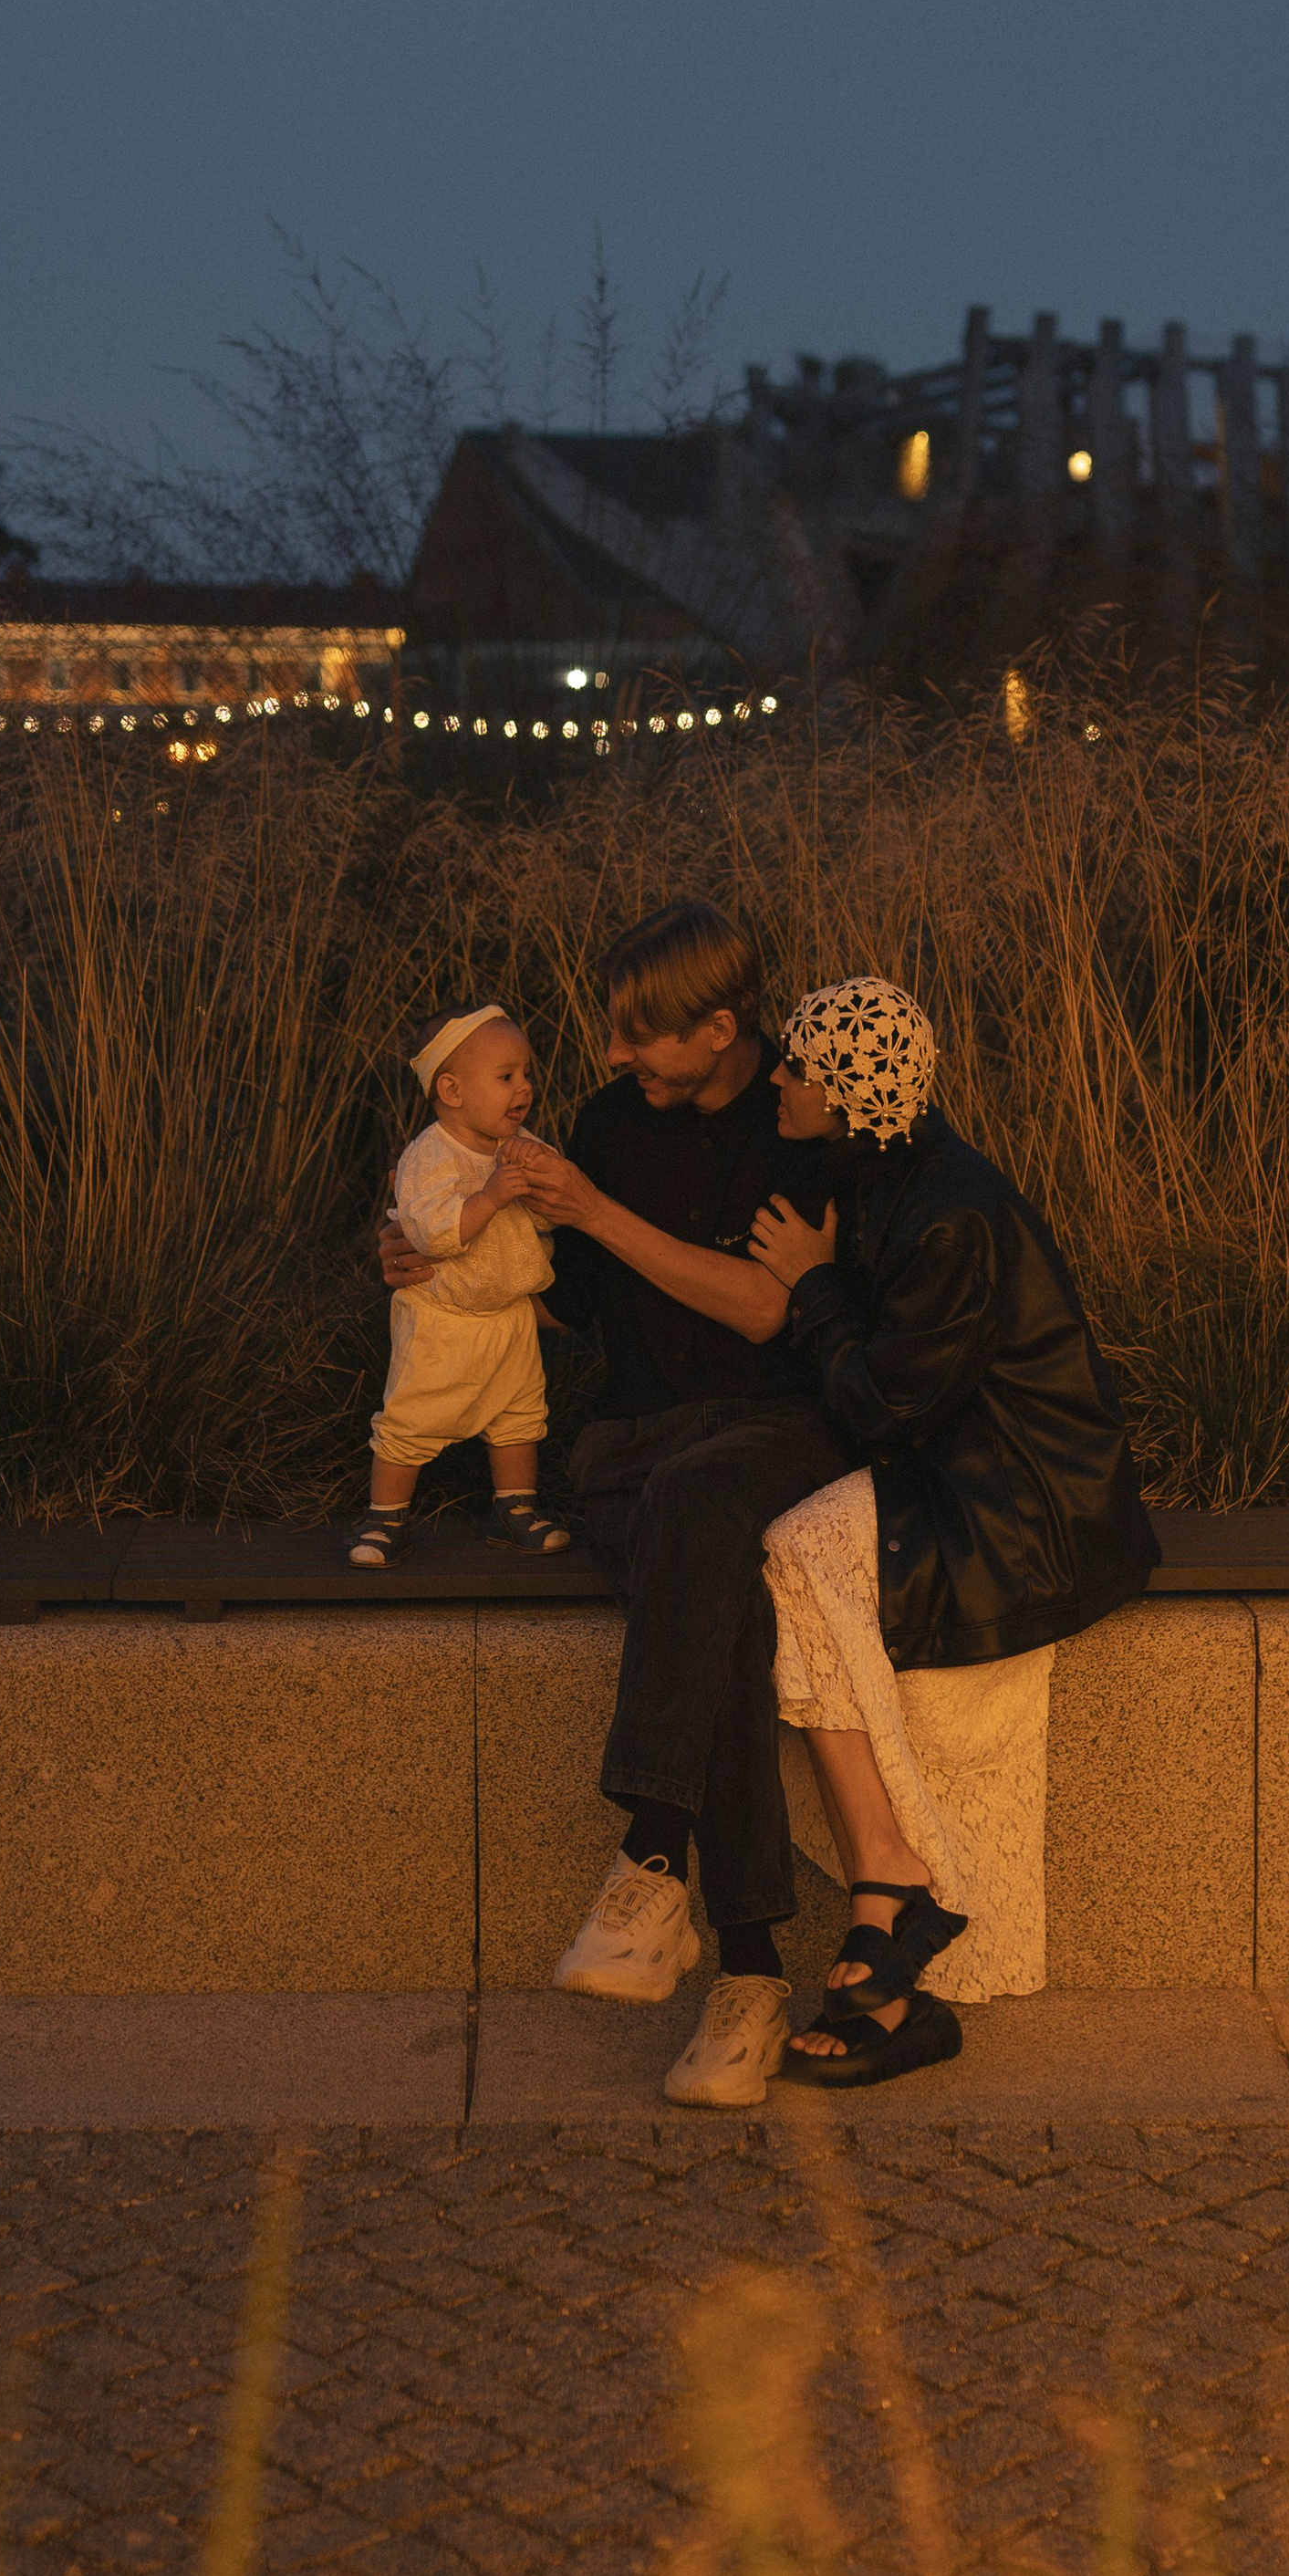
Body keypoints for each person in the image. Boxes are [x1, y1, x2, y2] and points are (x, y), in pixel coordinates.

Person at [380, 901, 856, 2109]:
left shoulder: (795, 1125)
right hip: (640, 1449)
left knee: (704, 1505)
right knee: (724, 1608)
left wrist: (591, 1206)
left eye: (640, 1036)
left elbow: (764, 1309)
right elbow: (559, 1303)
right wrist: (432, 1269)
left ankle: (653, 1861)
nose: (610, 1056)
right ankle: (744, 1975)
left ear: (719, 1029)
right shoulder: (605, 1121)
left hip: (769, 1428)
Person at [743, 975, 1158, 2089]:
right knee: (796, 1559)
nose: (775, 1078)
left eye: (796, 1067)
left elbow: (883, 1402)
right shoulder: (886, 1176)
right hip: (963, 1473)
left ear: (845, 1089)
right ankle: (890, 1904)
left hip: (1022, 1501)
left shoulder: (949, 1209)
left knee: (793, 1554)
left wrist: (814, 1288)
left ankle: (891, 1881)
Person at [350, 1004, 568, 1567]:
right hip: (443, 1321)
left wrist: (541, 1177)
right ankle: (384, 1517)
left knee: (519, 1415)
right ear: (452, 1089)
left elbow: (551, 1216)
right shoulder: (431, 1155)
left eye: (526, 1074)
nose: (523, 1088)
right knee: (410, 1417)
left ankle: (515, 1508)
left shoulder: (518, 1143)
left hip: (510, 1315)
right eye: (505, 1077)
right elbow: (431, 1230)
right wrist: (493, 1195)